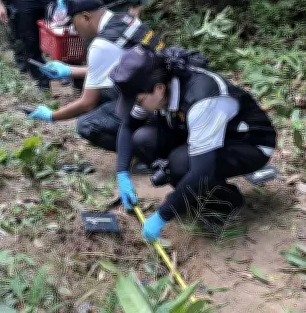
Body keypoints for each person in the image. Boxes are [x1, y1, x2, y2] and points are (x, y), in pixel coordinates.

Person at [109, 46, 277, 242]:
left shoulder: (202, 100)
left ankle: (224, 203)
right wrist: (122, 172)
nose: (137, 106)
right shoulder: (157, 85)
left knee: (181, 164)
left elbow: (201, 172)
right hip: (199, 132)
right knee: (144, 140)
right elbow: (128, 126)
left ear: (159, 89)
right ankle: (192, 196)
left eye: (139, 101)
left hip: (249, 143)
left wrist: (162, 215)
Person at [24, 0, 164, 151]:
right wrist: (69, 70)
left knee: (86, 124)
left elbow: (87, 103)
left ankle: (144, 150)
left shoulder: (101, 45)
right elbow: (112, 67)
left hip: (151, 104)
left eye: (73, 23)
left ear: (86, 17)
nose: (74, 30)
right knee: (102, 91)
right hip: (161, 93)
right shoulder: (125, 20)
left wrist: (51, 115)